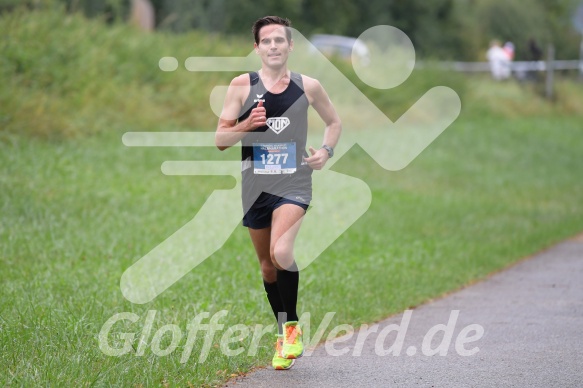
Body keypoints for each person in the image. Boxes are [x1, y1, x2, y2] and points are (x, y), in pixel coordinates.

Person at [215, 16, 341, 370]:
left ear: (290, 46)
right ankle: (285, 329)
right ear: (256, 47)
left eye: (279, 41)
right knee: (268, 267)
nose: (273, 46)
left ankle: (291, 332)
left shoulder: (308, 86)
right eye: (266, 41)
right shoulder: (241, 86)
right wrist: (246, 125)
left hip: (294, 183)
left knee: (281, 250)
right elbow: (221, 141)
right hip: (255, 185)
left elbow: (334, 123)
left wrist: (325, 152)